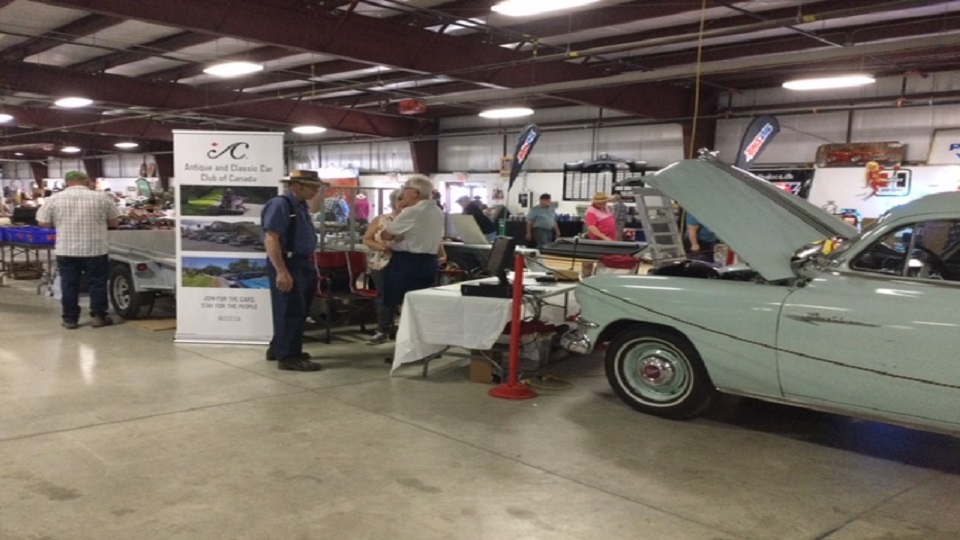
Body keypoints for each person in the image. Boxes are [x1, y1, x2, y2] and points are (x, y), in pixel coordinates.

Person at [36, 170, 121, 329]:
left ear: (66, 182)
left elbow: (43, 222)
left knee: (69, 284)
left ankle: (70, 319)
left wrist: (61, 222)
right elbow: (114, 223)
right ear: (86, 181)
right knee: (97, 283)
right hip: (95, 249)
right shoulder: (102, 198)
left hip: (66, 250)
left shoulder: (54, 199)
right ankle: (99, 316)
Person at [261, 170, 327, 371]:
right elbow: (271, 238)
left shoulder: (300, 205)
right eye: (312, 186)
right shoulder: (281, 204)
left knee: (298, 308)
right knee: (290, 309)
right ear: (296, 185)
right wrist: (281, 271)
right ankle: (289, 356)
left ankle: (280, 347)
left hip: (302, 262)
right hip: (288, 262)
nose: (316, 190)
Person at [380, 175, 445, 319]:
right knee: (421, 302)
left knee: (402, 301)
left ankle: (405, 337)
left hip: (407, 263)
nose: (403, 193)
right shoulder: (437, 211)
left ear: (415, 193)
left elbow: (386, 235)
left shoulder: (413, 211)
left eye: (406, 189)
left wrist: (395, 236)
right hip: (429, 262)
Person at [362, 188, 403, 345]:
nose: (402, 203)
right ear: (393, 202)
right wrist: (381, 247)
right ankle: (382, 330)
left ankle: (404, 331)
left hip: (405, 261)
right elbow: (367, 239)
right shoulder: (381, 220)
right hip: (382, 262)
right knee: (384, 296)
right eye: (399, 200)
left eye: (404, 199)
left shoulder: (414, 220)